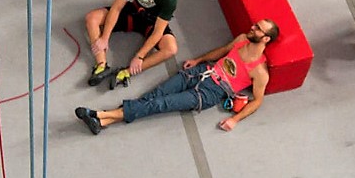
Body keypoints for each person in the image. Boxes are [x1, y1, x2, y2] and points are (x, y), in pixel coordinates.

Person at [75, 21, 277, 134]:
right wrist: (198, 61)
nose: (253, 27)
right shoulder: (242, 40)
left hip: (211, 92)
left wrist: (235, 119)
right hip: (202, 72)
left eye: (258, 29)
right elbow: (222, 51)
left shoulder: (260, 72)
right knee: (154, 94)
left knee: (160, 104)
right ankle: (102, 122)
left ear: (266, 39)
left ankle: (100, 114)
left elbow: (258, 100)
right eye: (255, 25)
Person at [82, 0, 178, 90]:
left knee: (171, 49)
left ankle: (125, 72)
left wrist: (140, 56)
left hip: (152, 22)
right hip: (134, 12)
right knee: (92, 18)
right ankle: (101, 65)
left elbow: (158, 31)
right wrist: (104, 38)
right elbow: (116, 8)